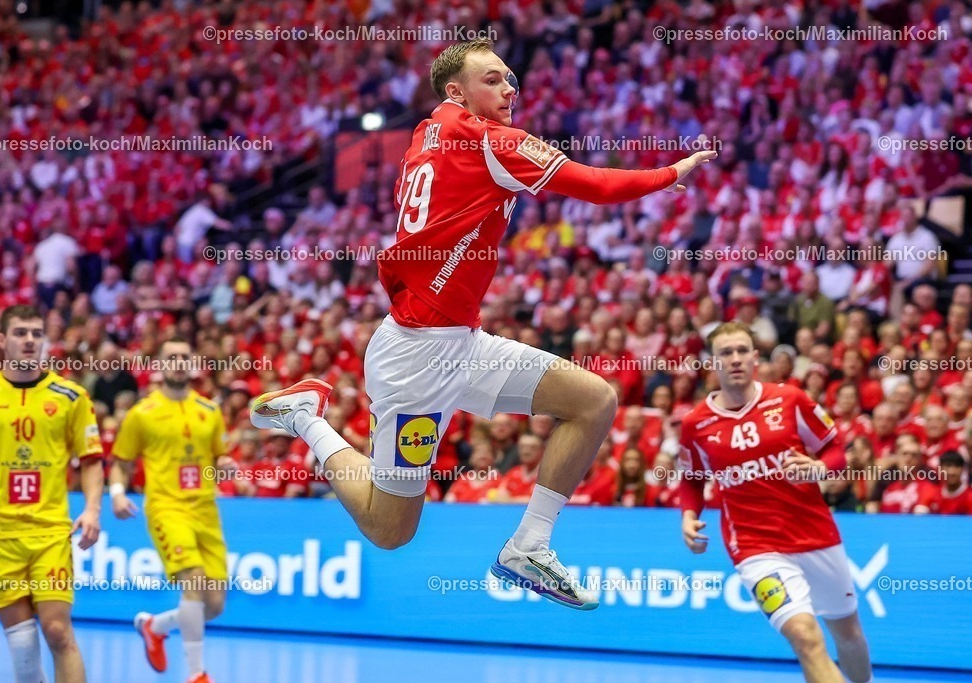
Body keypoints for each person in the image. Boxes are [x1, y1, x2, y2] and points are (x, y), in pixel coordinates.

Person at [250, 39, 716, 610]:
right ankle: (309, 422)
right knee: (390, 530)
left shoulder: (426, 134)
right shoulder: (489, 141)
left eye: (511, 80)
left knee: (593, 400)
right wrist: (670, 171)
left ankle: (529, 545)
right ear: (458, 93)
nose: (509, 89)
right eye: (493, 80)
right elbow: (595, 186)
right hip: (417, 361)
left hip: (459, 342)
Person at [679, 322, 872, 683]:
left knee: (848, 634)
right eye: (725, 352)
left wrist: (817, 467)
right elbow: (691, 478)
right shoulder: (695, 424)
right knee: (804, 636)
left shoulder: (790, 399)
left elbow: (836, 451)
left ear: (755, 357)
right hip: (754, 546)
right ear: (712, 362)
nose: (734, 359)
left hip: (815, 534)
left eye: (741, 351)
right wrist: (689, 516)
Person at [0, 305, 103, 683]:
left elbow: (91, 459)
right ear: (2, 340)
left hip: (51, 531)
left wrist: (93, 510)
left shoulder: (71, 396)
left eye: (36, 332)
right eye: (20, 332)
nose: (30, 340)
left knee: (57, 631)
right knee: (22, 646)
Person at [109, 338, 229, 683]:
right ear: (159, 366)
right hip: (166, 507)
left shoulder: (209, 411)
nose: (178, 362)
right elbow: (120, 463)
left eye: (183, 356)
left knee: (215, 605)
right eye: (171, 357)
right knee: (193, 581)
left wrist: (226, 464)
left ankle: (155, 626)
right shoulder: (141, 414)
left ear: (191, 363)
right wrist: (117, 493)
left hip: (205, 509)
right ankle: (196, 674)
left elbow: (219, 456)